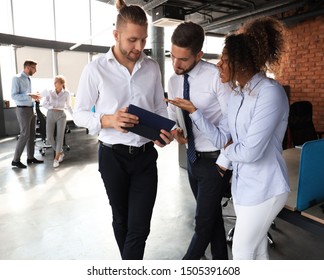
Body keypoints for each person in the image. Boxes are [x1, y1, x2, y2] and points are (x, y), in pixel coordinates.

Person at [166, 16, 290, 260]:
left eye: (224, 59)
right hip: (242, 186)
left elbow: (251, 151)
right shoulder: (238, 94)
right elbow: (224, 136)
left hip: (266, 185)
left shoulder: (270, 93)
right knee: (258, 251)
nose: (219, 64)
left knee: (243, 251)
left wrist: (224, 158)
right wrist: (195, 113)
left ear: (241, 63)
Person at [73, 0, 173, 260]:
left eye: (143, 40)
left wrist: (163, 132)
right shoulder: (95, 69)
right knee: (122, 220)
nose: (139, 48)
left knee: (140, 227)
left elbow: (159, 109)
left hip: (145, 156)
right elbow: (79, 113)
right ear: (116, 35)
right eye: (132, 40)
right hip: (112, 157)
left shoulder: (151, 67)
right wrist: (108, 120)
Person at [166, 21, 232, 260]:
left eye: (182, 59)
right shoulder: (174, 79)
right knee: (212, 220)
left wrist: (223, 165)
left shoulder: (217, 77)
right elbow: (173, 115)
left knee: (202, 224)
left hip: (215, 162)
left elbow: (231, 128)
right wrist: (175, 130)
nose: (176, 64)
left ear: (199, 55)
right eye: (172, 56)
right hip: (192, 160)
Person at [11, 59, 43, 169]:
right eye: (34, 68)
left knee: (32, 135)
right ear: (28, 67)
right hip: (22, 110)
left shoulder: (28, 79)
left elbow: (27, 95)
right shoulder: (17, 78)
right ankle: (15, 160)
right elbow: (14, 95)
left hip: (30, 109)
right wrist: (30, 95)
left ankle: (30, 157)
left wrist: (35, 97)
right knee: (24, 135)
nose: (36, 70)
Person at [41, 75, 73, 168]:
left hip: (61, 115)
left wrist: (74, 116)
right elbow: (44, 104)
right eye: (54, 82)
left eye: (56, 82)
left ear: (62, 84)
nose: (54, 84)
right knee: (49, 137)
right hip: (50, 114)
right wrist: (52, 107)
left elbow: (69, 106)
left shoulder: (66, 93)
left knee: (60, 137)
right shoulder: (49, 92)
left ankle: (56, 158)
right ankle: (61, 152)